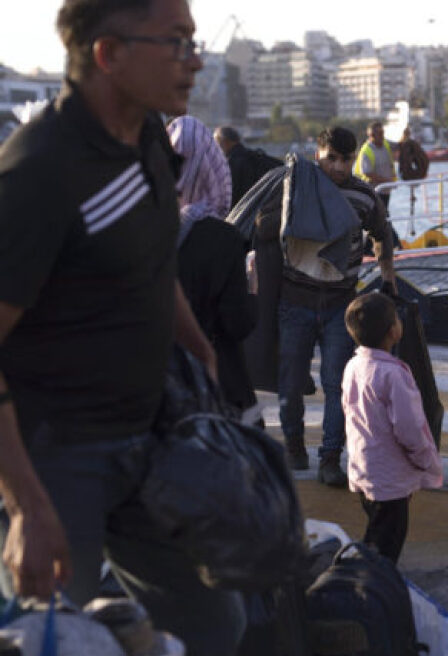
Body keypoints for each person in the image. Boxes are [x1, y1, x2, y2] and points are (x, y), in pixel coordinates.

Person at [0, 0, 245, 653]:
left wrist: (200, 352)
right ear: (109, 55)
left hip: (150, 441)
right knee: (52, 637)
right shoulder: (38, 171)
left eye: (195, 41)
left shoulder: (146, 144)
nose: (195, 61)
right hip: (58, 459)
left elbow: (151, 263)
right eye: (177, 43)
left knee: (218, 626)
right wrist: (25, 506)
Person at [257, 126, 396, 486]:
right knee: (289, 382)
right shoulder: (296, 186)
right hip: (295, 300)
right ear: (317, 152)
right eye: (331, 157)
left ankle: (331, 457)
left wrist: (388, 276)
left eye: (345, 160)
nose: (338, 166)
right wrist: (292, 213)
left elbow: (382, 233)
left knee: (337, 384)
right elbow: (262, 225)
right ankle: (294, 447)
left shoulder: (364, 196)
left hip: (340, 304)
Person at [169, 115, 260, 424]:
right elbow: (237, 324)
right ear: (212, 168)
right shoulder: (223, 239)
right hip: (216, 384)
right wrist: (253, 289)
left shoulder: (144, 228)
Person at [342, 292, 443, 563]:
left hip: (364, 469)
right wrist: (425, 459)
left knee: (377, 532)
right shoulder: (394, 374)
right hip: (390, 478)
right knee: (384, 547)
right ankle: (370, 591)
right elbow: (409, 429)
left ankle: (369, 583)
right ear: (392, 332)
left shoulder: (353, 366)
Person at [213, 124, 282, 207]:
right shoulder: (255, 157)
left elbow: (230, 197)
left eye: (216, 143)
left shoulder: (231, 164)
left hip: (242, 214)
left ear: (225, 142)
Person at [354, 120, 397, 215]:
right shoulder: (366, 151)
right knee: (381, 216)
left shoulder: (385, 144)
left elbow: (397, 146)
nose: (382, 136)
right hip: (373, 191)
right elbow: (367, 172)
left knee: (384, 214)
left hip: (385, 190)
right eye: (380, 134)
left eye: (383, 133)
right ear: (372, 135)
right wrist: (387, 181)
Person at [397, 126, 430, 220]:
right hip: (408, 175)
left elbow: (421, 159)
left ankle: (412, 196)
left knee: (411, 178)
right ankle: (412, 196)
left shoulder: (409, 144)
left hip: (410, 175)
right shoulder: (405, 144)